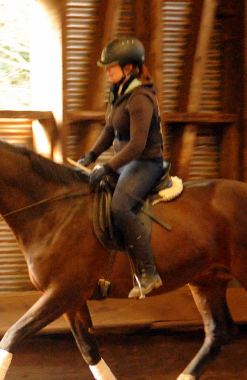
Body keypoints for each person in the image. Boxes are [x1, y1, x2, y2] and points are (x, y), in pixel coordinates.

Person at [78, 36, 165, 299]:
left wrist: (108, 167)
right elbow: (109, 130)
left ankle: (149, 273)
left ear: (129, 67)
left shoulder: (140, 98)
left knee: (119, 207)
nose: (107, 71)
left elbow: (137, 145)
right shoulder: (118, 94)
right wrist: (91, 155)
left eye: (111, 66)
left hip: (145, 162)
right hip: (126, 162)